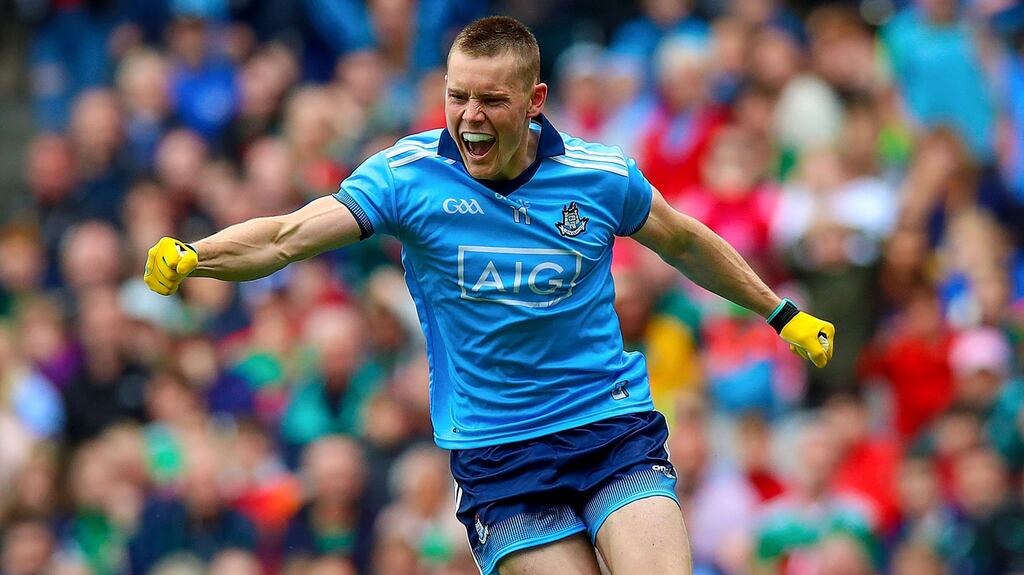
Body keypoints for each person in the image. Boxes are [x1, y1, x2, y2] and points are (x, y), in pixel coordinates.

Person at [143, 16, 835, 575]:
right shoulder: (406, 177)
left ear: (534, 102)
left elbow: (684, 241)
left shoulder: (598, 176)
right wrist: (197, 256)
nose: (469, 118)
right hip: (501, 454)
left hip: (609, 425)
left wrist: (781, 313)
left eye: (491, 100)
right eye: (457, 96)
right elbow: (288, 236)